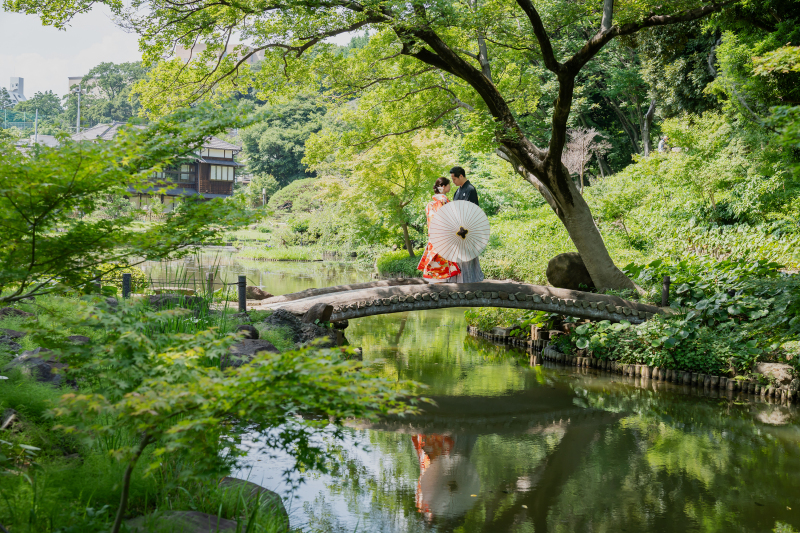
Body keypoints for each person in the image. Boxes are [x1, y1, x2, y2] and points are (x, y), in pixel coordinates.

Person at [417, 177, 462, 283]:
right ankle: (441, 280)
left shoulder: (430, 204)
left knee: (435, 257)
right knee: (442, 258)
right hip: (444, 235)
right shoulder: (444, 201)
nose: (450, 187)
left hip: (434, 235)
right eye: (448, 185)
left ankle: (433, 279)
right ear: (443, 187)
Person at [449, 166, 485, 283]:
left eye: (454, 179)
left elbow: (472, 210)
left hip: (468, 228)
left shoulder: (470, 189)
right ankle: (461, 279)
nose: (453, 182)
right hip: (458, 228)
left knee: (468, 256)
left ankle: (471, 279)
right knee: (459, 256)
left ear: (461, 176)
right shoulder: (457, 191)